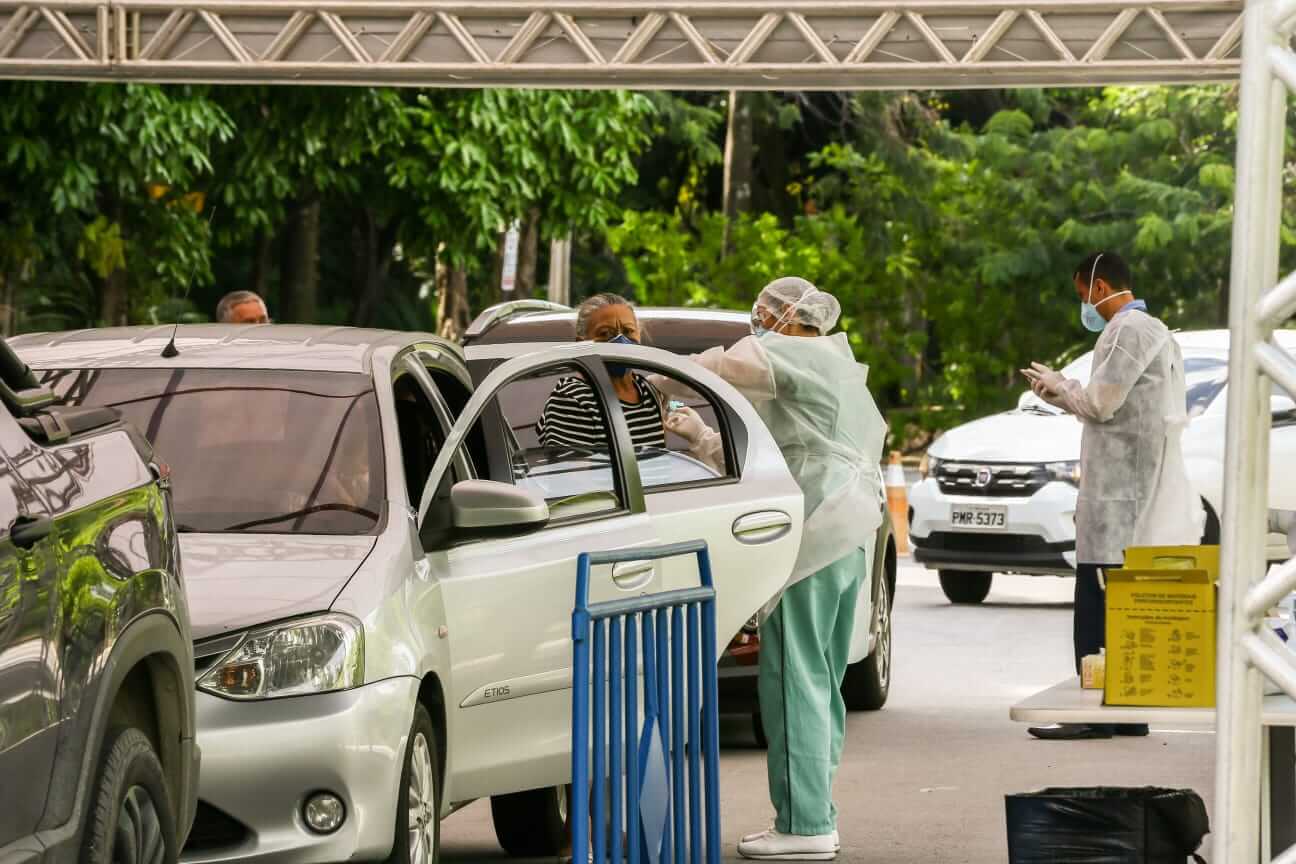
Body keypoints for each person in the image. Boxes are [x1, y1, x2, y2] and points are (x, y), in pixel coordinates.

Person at [660, 277, 887, 860]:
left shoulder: (794, 350)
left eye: (761, 314)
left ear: (788, 316)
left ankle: (804, 825)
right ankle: (817, 815)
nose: (754, 325)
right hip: (850, 531)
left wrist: (641, 370)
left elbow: (715, 366)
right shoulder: (836, 364)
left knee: (792, 679)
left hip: (818, 533)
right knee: (820, 680)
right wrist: (702, 438)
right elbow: (783, 456)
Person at [1022, 251, 1202, 741]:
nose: (1083, 304)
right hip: (1126, 487)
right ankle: (1124, 712)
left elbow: (1101, 403)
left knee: (1097, 607)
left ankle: (1096, 714)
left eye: (1082, 293)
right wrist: (1056, 393)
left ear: (1099, 287)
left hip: (1119, 494)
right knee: (1119, 606)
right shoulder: (1153, 331)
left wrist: (1064, 384)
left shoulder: (1127, 329)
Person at [536, 294, 666, 452]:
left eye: (628, 331)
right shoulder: (573, 399)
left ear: (639, 335)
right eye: (605, 334)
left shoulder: (649, 390)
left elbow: (677, 407)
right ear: (582, 344)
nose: (620, 340)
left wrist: (676, 405)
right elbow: (570, 474)